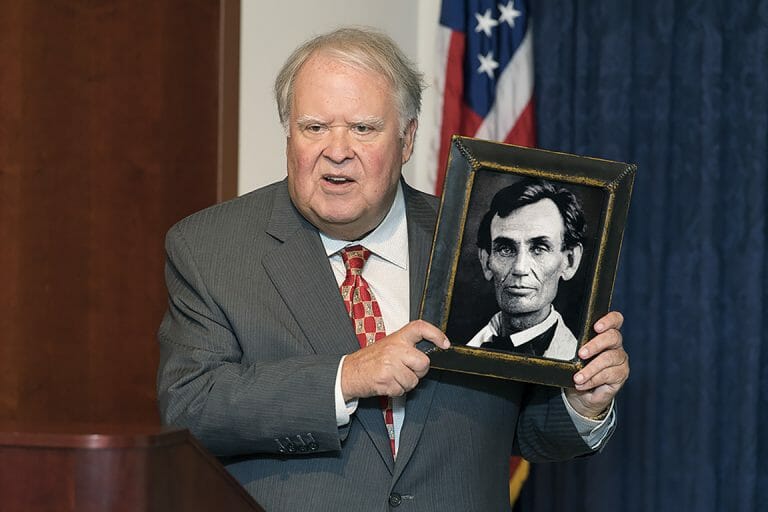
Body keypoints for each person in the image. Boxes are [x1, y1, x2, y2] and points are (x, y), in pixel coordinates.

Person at [157, 27, 629, 512]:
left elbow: (520, 430)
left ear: (407, 139)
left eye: (363, 128)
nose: (337, 150)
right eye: (314, 127)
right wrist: (345, 377)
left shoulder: (474, 247)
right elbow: (190, 407)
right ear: (289, 134)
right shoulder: (211, 248)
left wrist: (582, 403)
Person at [466, 179, 586, 360]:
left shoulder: (589, 364)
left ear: (569, 261)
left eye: (539, 249)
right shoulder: (448, 349)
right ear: (486, 261)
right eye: (505, 250)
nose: (520, 268)